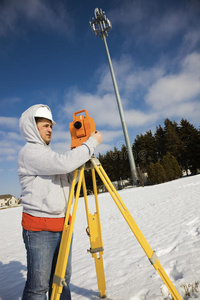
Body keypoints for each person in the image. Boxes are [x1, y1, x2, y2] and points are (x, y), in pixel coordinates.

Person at [18, 104, 102, 300]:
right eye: (45, 126)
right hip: (40, 229)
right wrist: (90, 144)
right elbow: (63, 163)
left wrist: (79, 161)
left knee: (62, 280)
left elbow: (67, 178)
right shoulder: (29, 153)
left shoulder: (47, 154)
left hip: (62, 225)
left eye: (51, 126)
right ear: (33, 127)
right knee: (38, 287)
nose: (50, 130)